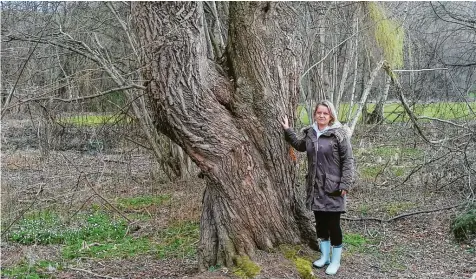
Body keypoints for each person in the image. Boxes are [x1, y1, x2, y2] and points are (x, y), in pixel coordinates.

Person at [281, 100, 354, 275]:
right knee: (320, 224)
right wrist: (287, 130)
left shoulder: (339, 135)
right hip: (315, 187)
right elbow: (300, 146)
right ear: (315, 114)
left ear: (331, 116)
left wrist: (345, 183)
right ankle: (325, 257)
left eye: (325, 113)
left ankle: (335, 261)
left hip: (334, 187)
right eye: (319, 112)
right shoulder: (311, 133)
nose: (321, 116)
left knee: (333, 225)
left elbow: (348, 160)